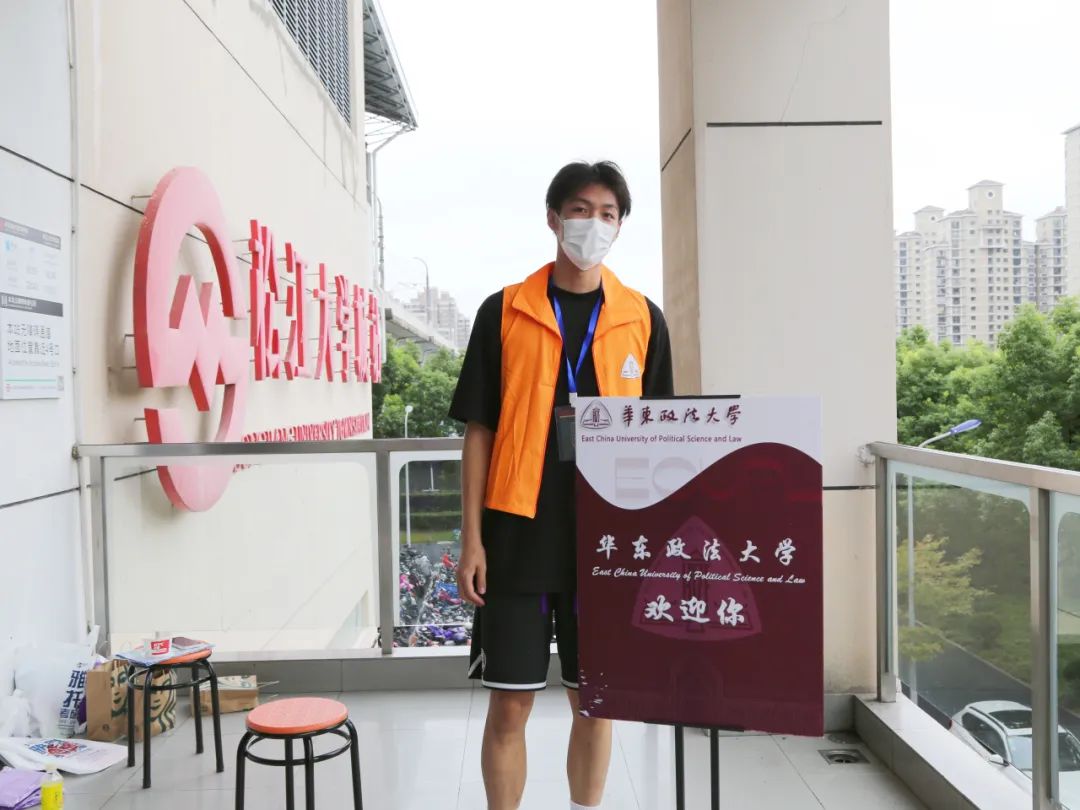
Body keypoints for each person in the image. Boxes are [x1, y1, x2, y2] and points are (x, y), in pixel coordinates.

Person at [449, 161, 674, 810]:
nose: (593, 224)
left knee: (595, 704)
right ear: (553, 218)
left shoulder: (642, 319)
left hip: (607, 540)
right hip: (516, 534)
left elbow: (665, 439)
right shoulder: (504, 311)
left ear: (621, 226)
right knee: (509, 707)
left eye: (607, 214)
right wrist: (472, 541)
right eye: (580, 210)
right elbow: (479, 433)